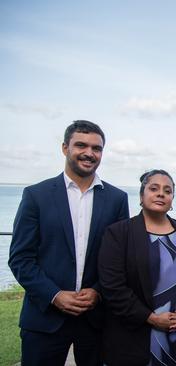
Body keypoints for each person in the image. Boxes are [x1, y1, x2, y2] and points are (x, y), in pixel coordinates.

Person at [8, 120, 129, 366]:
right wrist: (54, 295)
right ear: (65, 148)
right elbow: (20, 258)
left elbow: (120, 258)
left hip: (95, 320)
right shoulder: (36, 195)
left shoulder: (117, 199)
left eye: (97, 148)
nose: (89, 153)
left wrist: (97, 291)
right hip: (44, 319)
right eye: (81, 145)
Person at [98, 170, 176, 365]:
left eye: (167, 190)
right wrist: (151, 318)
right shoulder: (119, 233)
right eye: (154, 188)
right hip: (137, 338)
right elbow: (112, 287)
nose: (161, 194)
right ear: (141, 195)